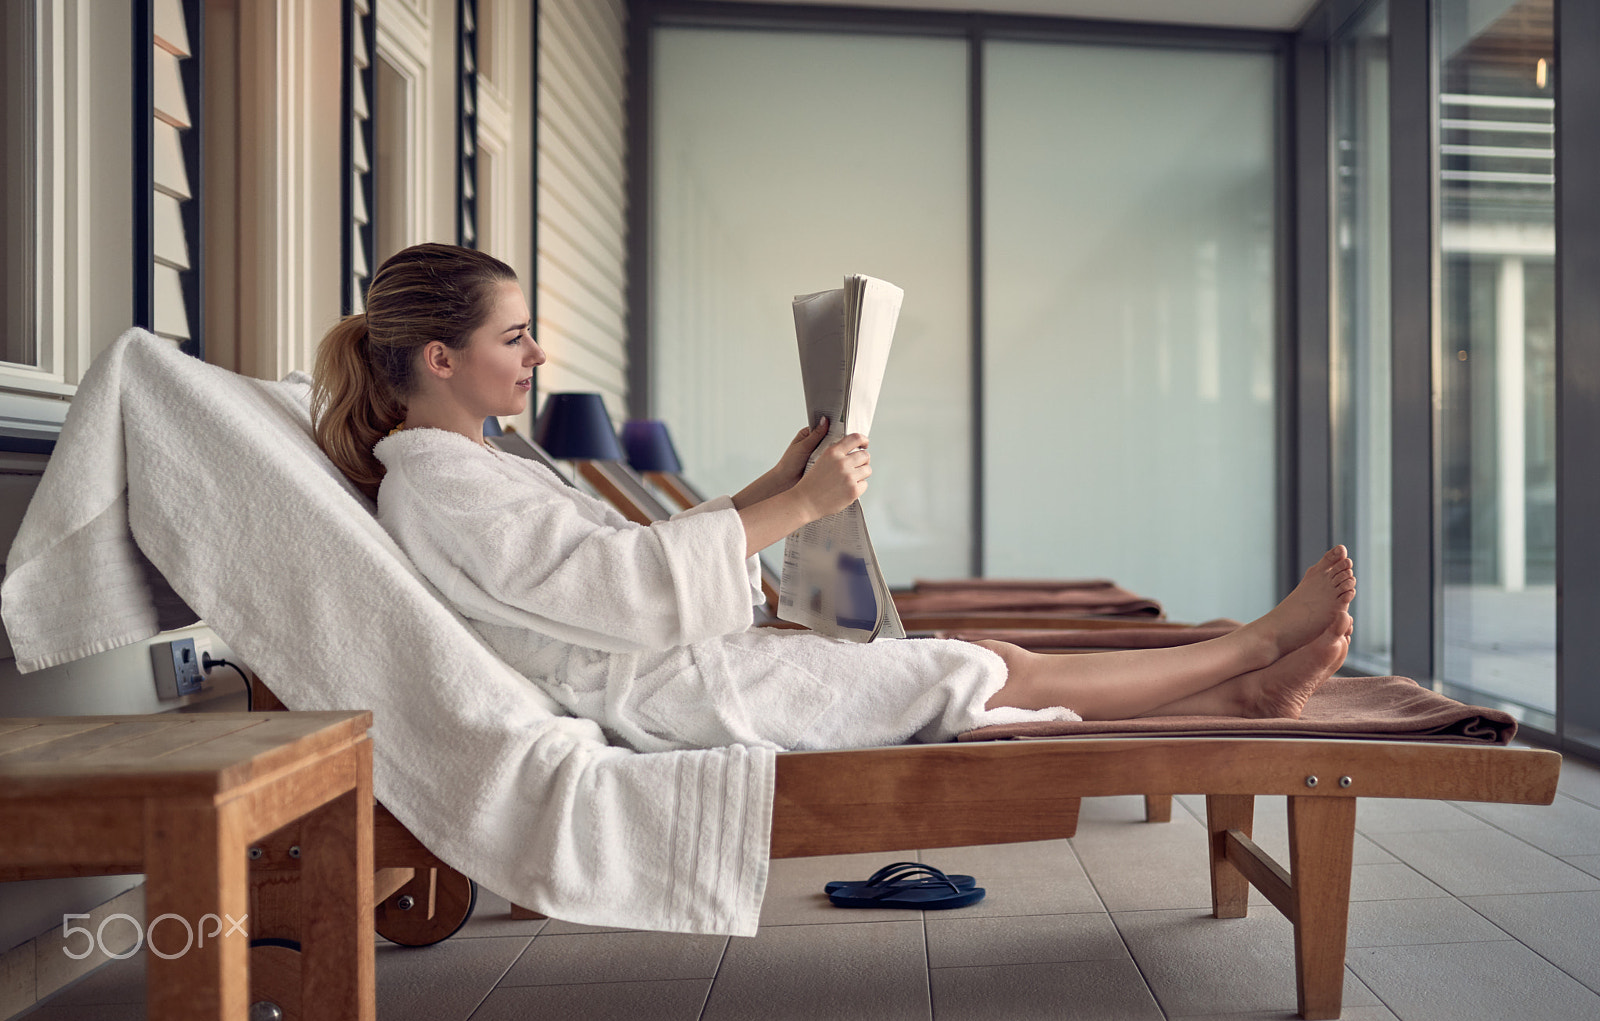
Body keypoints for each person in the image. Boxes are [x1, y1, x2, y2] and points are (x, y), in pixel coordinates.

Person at [312, 243, 1356, 754]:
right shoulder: (442, 486)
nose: (538, 354)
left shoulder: (478, 466)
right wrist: (801, 509)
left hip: (675, 661)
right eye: (515, 337)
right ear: (441, 357)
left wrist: (781, 481)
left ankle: (1234, 697)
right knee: (976, 671)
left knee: (973, 664)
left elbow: (635, 562)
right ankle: (1248, 650)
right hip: (660, 693)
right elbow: (612, 587)